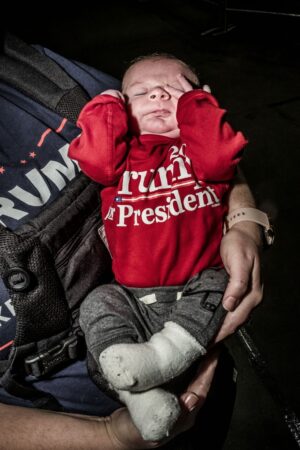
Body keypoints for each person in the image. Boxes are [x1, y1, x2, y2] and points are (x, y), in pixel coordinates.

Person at [67, 53, 262, 442]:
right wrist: (107, 106)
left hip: (196, 290)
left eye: (175, 89)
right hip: (133, 298)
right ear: (123, 110)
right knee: (98, 305)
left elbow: (222, 151)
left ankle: (163, 357)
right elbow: (94, 157)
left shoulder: (200, 155)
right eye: (140, 93)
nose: (158, 93)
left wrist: (196, 106)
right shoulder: (119, 159)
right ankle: (141, 396)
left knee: (218, 285)